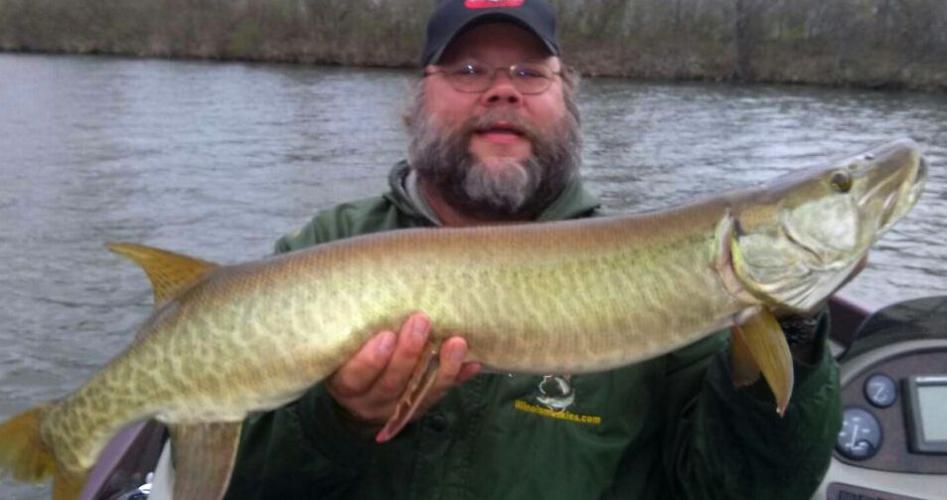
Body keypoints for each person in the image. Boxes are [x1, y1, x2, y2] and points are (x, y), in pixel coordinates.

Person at [225, 1, 842, 498]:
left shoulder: (672, 269)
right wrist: (338, 423)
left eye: (529, 72)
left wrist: (790, 327)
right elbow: (238, 482)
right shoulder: (326, 245)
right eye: (468, 70)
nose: (502, 91)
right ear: (418, 98)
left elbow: (746, 488)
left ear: (566, 96)